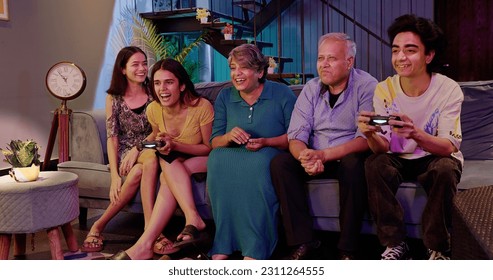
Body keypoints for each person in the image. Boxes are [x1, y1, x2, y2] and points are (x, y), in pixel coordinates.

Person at [358, 14, 463, 260]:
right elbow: (381, 148)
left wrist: (416, 133)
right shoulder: (385, 89)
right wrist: (370, 134)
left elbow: (448, 147)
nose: (400, 57)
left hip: (434, 155)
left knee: (446, 169)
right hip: (397, 156)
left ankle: (437, 247)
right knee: (373, 164)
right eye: (396, 50)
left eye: (410, 50)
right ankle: (395, 244)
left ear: (429, 55)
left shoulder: (448, 89)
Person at [270, 32, 378, 260]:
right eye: (320, 58)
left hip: (346, 154)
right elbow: (296, 134)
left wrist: (324, 155)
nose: (323, 65)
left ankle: (347, 249)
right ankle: (304, 241)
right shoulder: (311, 88)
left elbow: (364, 139)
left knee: (354, 164)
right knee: (281, 163)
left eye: (331, 59)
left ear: (349, 62)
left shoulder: (367, 85)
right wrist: (305, 157)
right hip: (316, 154)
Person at [109, 58, 214, 260]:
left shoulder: (201, 107)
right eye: (157, 83)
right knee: (166, 168)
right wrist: (138, 147)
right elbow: (154, 138)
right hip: (174, 160)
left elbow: (208, 148)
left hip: (203, 157)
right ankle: (154, 240)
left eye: (169, 82)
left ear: (182, 85)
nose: (162, 89)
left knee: (169, 164)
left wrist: (175, 145)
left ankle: (145, 244)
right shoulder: (154, 109)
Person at [207, 44, 297, 260]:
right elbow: (214, 141)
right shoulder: (224, 97)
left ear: (260, 72)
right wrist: (228, 137)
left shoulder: (282, 93)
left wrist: (267, 141)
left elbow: (295, 136)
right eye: (233, 68)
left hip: (272, 151)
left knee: (259, 164)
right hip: (234, 153)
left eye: (244, 68)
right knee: (216, 158)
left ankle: (255, 248)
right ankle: (223, 243)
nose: (237, 74)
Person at [81, 46, 166, 252]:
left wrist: (138, 148)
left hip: (151, 144)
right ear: (123, 69)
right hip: (124, 153)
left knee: (149, 159)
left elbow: (158, 131)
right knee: (137, 170)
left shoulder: (154, 92)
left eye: (144, 63)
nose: (142, 68)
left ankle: (142, 228)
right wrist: (114, 177)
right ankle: (150, 231)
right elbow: (112, 137)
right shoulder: (114, 97)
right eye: (135, 64)